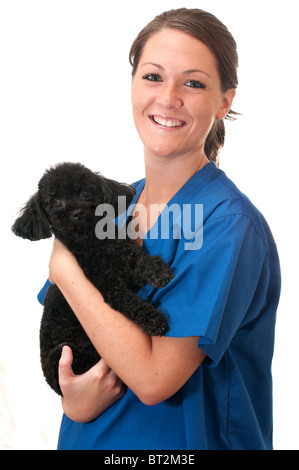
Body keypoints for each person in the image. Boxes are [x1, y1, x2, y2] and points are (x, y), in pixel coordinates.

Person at [39, 8, 281, 450]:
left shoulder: (228, 226)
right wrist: (70, 399)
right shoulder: (107, 206)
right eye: (153, 76)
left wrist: (65, 269)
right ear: (132, 85)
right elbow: (70, 331)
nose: (168, 98)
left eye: (193, 82)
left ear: (224, 101)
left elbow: (153, 379)